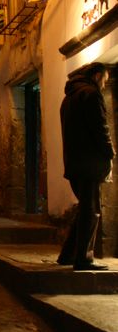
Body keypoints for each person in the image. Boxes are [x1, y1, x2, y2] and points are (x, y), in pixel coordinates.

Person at [58, 62, 114, 271]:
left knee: (85, 209)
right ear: (97, 75)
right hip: (89, 162)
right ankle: (84, 258)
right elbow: (100, 126)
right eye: (105, 80)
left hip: (74, 162)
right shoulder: (91, 94)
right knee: (91, 211)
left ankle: (68, 254)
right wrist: (110, 152)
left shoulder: (68, 98)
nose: (105, 84)